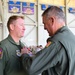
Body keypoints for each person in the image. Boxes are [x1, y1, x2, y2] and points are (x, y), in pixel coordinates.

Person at [21, 6, 75, 75]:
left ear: (52, 20)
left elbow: (31, 68)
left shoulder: (56, 43)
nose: (44, 27)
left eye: (44, 23)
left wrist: (24, 54)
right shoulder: (71, 37)